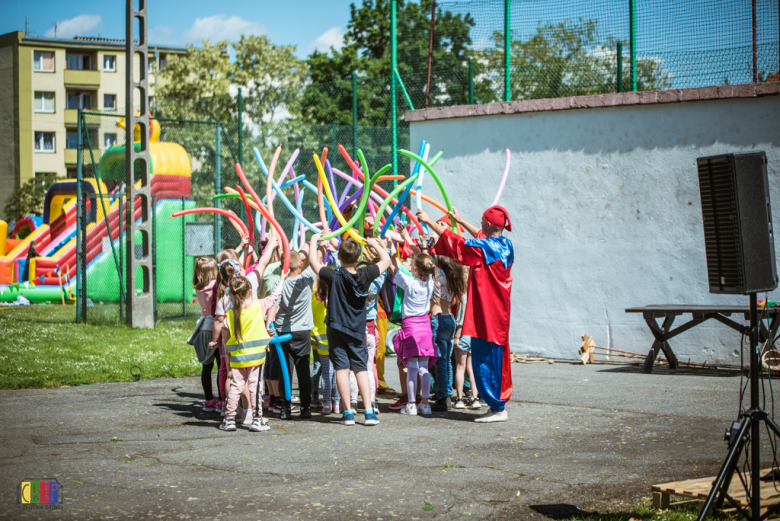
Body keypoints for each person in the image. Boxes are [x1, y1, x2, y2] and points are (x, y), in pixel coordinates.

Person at [418, 206, 514, 423]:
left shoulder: (484, 249)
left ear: (489, 225)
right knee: (494, 358)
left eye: (481, 222)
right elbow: (480, 238)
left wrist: (430, 221)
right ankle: (496, 405)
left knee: (485, 360)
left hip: (488, 314)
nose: (479, 225)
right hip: (500, 314)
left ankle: (498, 408)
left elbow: (459, 245)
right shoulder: (505, 245)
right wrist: (461, 221)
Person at [308, 235, 391, 426]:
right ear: (357, 258)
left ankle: (348, 413)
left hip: (336, 328)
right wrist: (375, 244)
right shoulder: (366, 274)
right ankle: (369, 412)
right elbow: (386, 261)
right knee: (360, 369)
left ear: (339, 256)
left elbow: (313, 261)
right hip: (357, 330)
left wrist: (313, 240)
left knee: (342, 369)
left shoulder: (333, 275)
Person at [212, 233, 279, 424]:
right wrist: (271, 245)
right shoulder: (250, 281)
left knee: (234, 379)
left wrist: (224, 344)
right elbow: (262, 264)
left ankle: (232, 412)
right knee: (253, 381)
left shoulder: (223, 295)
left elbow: (220, 321)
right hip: (253, 346)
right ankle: (251, 413)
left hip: (232, 345)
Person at [214, 274, 286, 432]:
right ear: (249, 291)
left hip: (238, 358)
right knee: (255, 387)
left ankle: (229, 419)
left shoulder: (229, 314)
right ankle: (257, 420)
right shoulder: (258, 305)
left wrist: (227, 357)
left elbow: (226, 338)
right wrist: (282, 278)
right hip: (256, 358)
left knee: (235, 387)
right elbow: (275, 296)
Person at [266, 245, 317, 420]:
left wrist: (269, 323)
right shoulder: (307, 278)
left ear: (282, 268)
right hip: (302, 332)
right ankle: (305, 408)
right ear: (300, 265)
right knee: (303, 371)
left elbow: (273, 305)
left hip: (283, 332)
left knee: (285, 371)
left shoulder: (278, 283)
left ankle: (285, 409)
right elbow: (316, 259)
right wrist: (317, 242)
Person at [388, 249, 438, 416]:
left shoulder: (409, 282)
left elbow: (392, 267)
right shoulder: (430, 281)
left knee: (411, 369)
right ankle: (425, 404)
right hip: (425, 328)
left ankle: (411, 404)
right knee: (424, 368)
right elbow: (426, 263)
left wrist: (386, 249)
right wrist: (423, 249)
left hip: (411, 328)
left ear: (415, 268)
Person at [429, 255, 467, 411]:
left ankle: (443, 397)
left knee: (440, 361)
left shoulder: (439, 276)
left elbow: (422, 257)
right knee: (446, 361)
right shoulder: (454, 278)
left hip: (438, 319)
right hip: (449, 318)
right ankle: (446, 395)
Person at [191, 256, 220, 411]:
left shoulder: (198, 286)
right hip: (213, 326)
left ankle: (209, 400)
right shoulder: (215, 285)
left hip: (203, 326)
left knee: (207, 366)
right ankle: (221, 399)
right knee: (221, 365)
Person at [452, 267, 482, 409]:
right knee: (471, 368)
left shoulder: (463, 297)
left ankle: (459, 399)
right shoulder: (477, 295)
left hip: (463, 333)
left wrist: (456, 336)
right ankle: (475, 398)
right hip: (474, 335)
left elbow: (460, 319)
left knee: (460, 367)